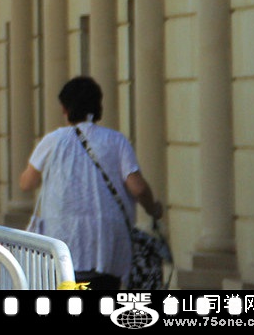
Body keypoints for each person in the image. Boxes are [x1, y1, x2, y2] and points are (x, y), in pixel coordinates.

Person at [20, 76, 162, 292]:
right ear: (98, 107)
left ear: (65, 109)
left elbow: (27, 183)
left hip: (63, 242)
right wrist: (154, 209)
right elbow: (138, 187)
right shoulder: (116, 140)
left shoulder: (53, 141)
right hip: (107, 246)